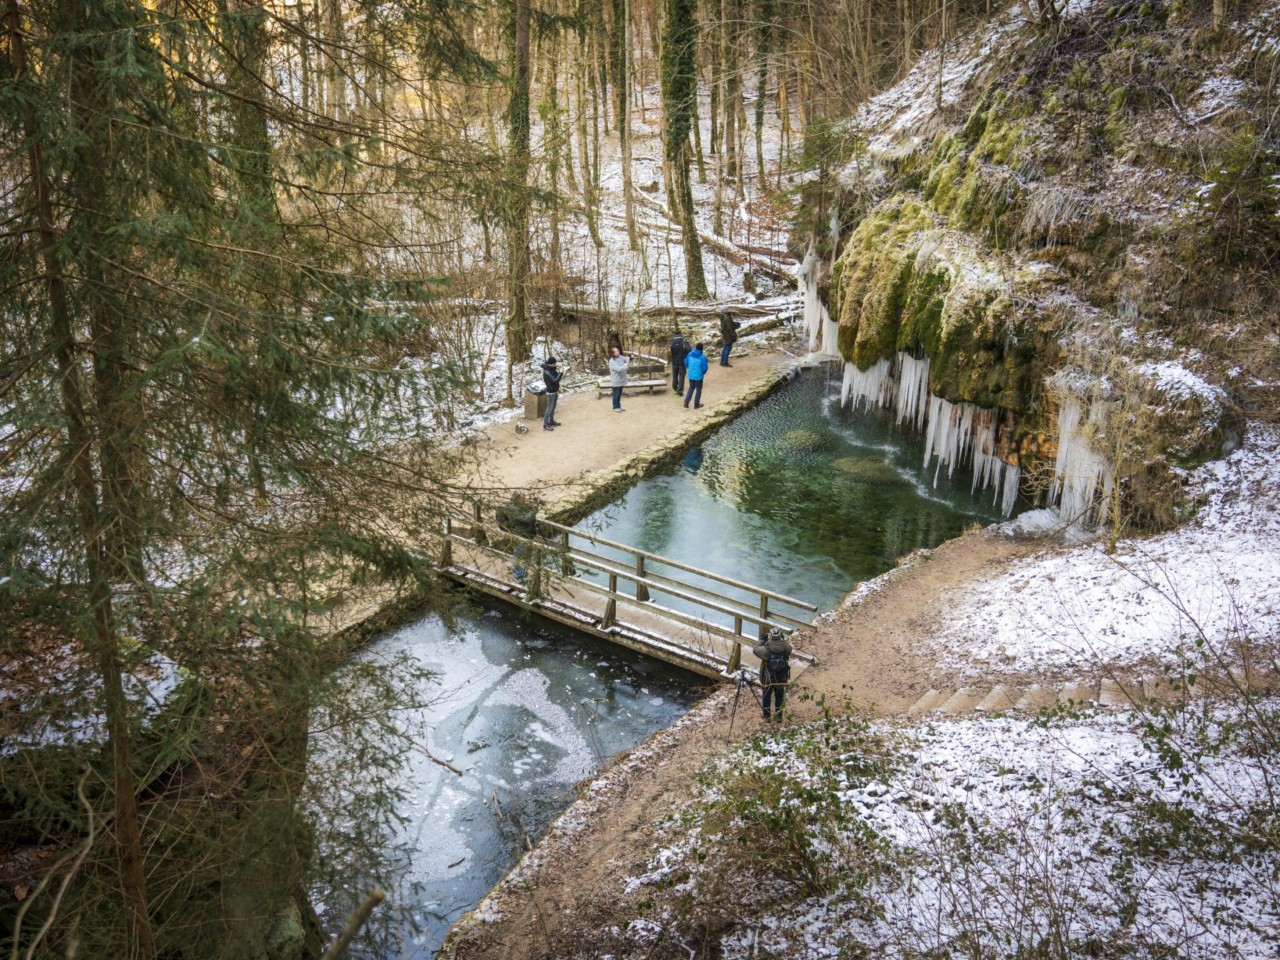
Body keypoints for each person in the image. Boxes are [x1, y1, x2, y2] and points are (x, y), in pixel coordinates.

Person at [753, 627, 792, 722]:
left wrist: (762, 640)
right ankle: (779, 717)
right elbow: (789, 648)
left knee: (766, 696)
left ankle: (767, 717)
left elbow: (755, 650)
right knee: (779, 696)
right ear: (780, 636)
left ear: (771, 636)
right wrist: (783, 640)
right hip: (781, 678)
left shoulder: (766, 650)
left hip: (768, 678)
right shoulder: (786, 648)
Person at [541, 356, 563, 431]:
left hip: (554, 390)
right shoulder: (547, 371)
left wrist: (558, 372)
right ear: (551, 364)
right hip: (551, 392)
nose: (555, 365)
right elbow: (555, 380)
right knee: (549, 408)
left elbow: (555, 377)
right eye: (554, 363)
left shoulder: (551, 369)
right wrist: (561, 373)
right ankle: (545, 424)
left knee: (553, 407)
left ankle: (551, 421)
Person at [683, 342, 708, 409]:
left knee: (691, 387)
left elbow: (686, 363)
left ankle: (686, 402)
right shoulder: (702, 357)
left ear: (695, 347)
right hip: (698, 376)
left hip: (690, 375)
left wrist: (690, 369)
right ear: (702, 349)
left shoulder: (690, 354)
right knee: (698, 390)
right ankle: (696, 404)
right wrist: (702, 373)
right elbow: (705, 368)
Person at [608, 345, 630, 412]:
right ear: (613, 353)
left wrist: (630, 358)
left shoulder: (620, 357)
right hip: (616, 380)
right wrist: (626, 364)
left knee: (619, 394)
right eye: (616, 351)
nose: (618, 351)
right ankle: (615, 407)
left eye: (618, 350)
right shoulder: (612, 361)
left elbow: (626, 359)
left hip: (622, 379)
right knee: (616, 394)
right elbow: (618, 369)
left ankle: (618, 406)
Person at [669, 330, 691, 395]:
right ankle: (680, 391)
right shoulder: (683, 341)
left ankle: (675, 388)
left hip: (674, 363)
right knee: (681, 377)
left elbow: (671, 352)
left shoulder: (672, 342)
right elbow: (689, 350)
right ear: (681, 334)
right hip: (682, 362)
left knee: (675, 376)